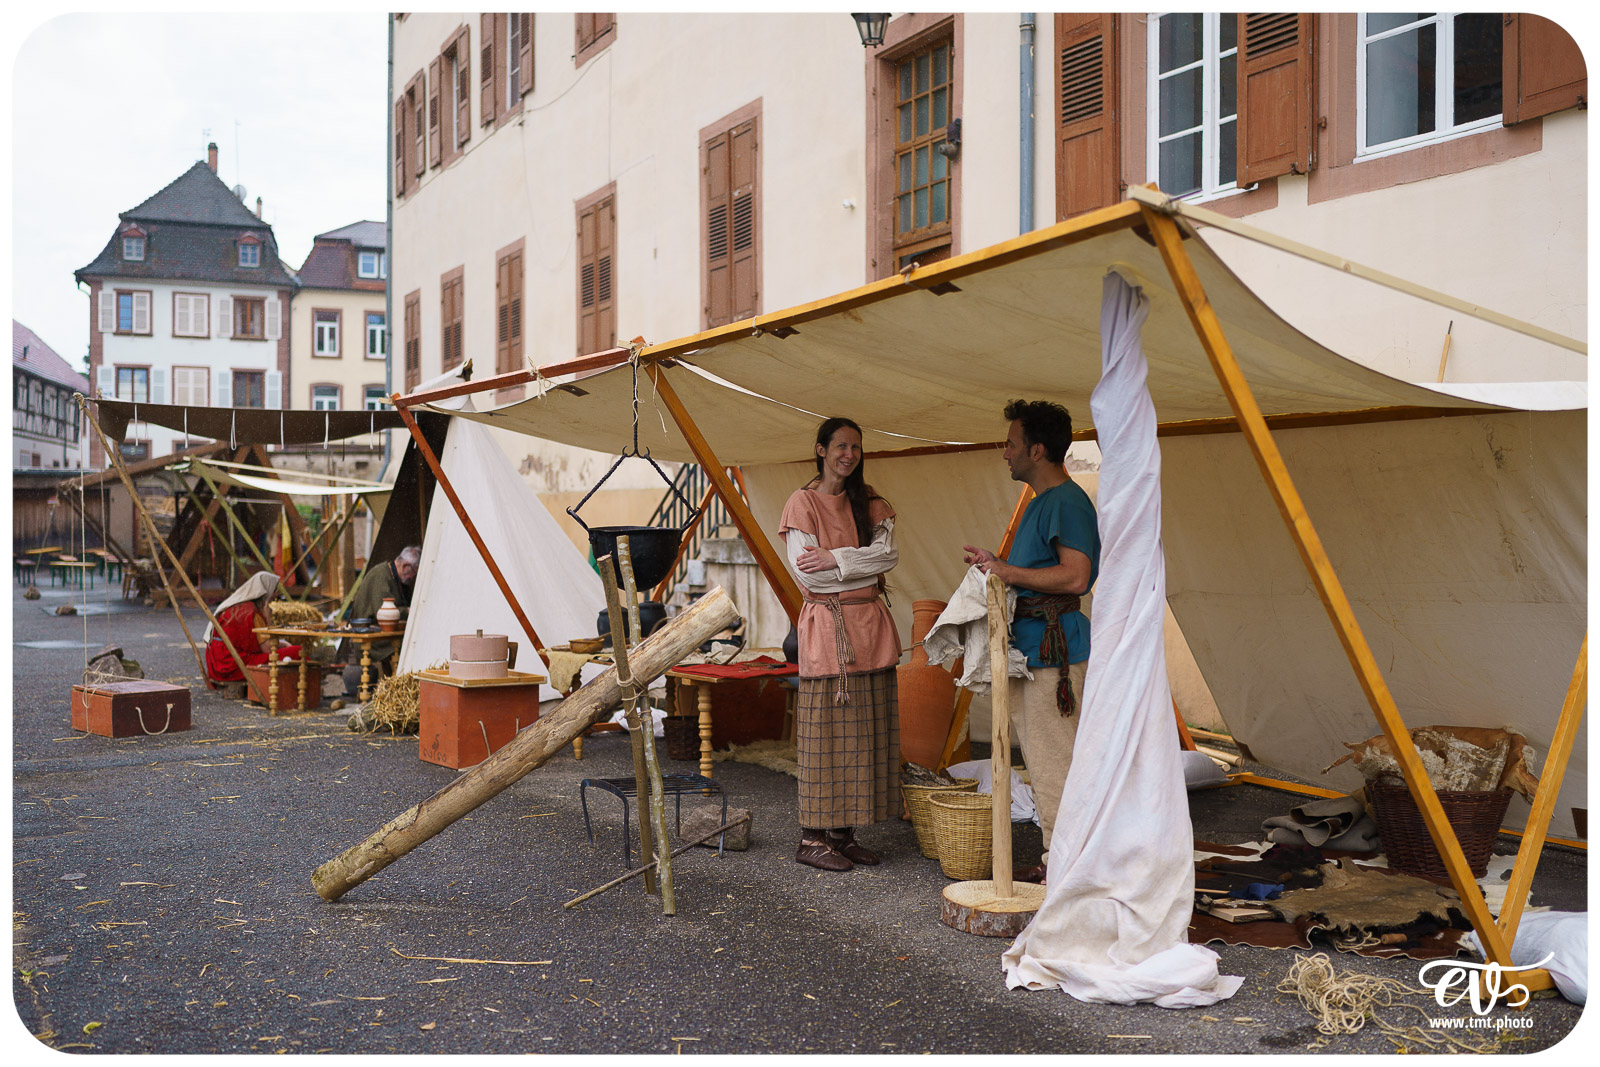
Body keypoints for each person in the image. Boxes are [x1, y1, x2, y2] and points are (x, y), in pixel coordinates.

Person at [963, 399, 1099, 885]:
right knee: (1044, 764)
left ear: (1037, 450)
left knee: (1055, 765)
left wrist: (1006, 571)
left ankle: (1065, 873)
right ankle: (1057, 862)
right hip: (1035, 654)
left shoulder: (1067, 501)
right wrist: (995, 561)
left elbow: (1076, 576)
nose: (1005, 453)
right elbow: (1036, 573)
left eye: (1012, 444)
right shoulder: (1042, 504)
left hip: (1054, 656)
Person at [779, 417, 902, 871]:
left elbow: (889, 557)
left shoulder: (872, 503)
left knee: (864, 734)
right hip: (828, 631)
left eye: (855, 446)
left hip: (870, 626)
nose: (848, 454)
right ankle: (811, 838)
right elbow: (808, 573)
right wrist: (856, 564)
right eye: (840, 446)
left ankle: (843, 833)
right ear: (820, 450)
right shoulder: (802, 503)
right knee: (825, 736)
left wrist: (837, 557)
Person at [342, 545, 420, 695]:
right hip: (373, 637)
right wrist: (408, 611)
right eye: (413, 573)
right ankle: (400, 691)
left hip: (383, 632)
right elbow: (382, 611)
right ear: (405, 566)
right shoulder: (382, 575)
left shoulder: (396, 578)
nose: (412, 578)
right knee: (409, 642)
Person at [204, 571, 302, 685]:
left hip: (216, 664)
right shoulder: (252, 613)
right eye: (274, 591)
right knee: (298, 651)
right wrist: (268, 620)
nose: (275, 595)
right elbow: (268, 649)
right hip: (233, 666)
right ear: (266, 591)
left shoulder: (234, 606)